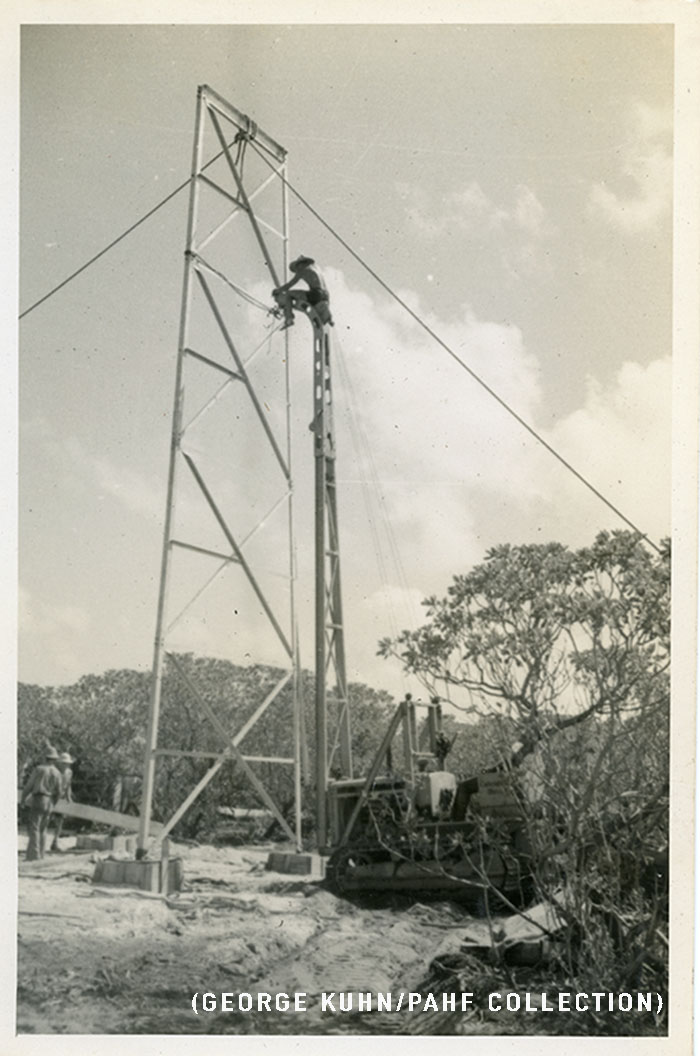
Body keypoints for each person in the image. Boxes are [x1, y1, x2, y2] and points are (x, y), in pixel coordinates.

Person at [22, 747, 63, 861]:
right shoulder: (57, 773)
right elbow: (59, 791)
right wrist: (54, 802)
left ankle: (34, 855)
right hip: (50, 800)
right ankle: (41, 854)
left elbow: (29, 786)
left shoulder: (39, 769)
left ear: (45, 757)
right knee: (43, 828)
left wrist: (23, 799)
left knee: (34, 827)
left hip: (39, 798)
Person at [272, 255, 333, 329]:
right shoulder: (316, 268)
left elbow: (290, 284)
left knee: (288, 294)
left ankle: (289, 319)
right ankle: (328, 318)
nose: (296, 270)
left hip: (316, 294)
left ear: (300, 264)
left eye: (296, 267)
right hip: (325, 295)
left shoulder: (303, 269)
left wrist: (278, 290)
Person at [50, 752, 75, 851]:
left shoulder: (69, 772)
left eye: (67, 764)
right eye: (64, 763)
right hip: (52, 797)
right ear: (59, 763)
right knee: (46, 819)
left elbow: (68, 785)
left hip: (61, 799)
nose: (65, 765)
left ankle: (55, 842)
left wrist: (69, 797)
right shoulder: (53, 771)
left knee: (60, 821)